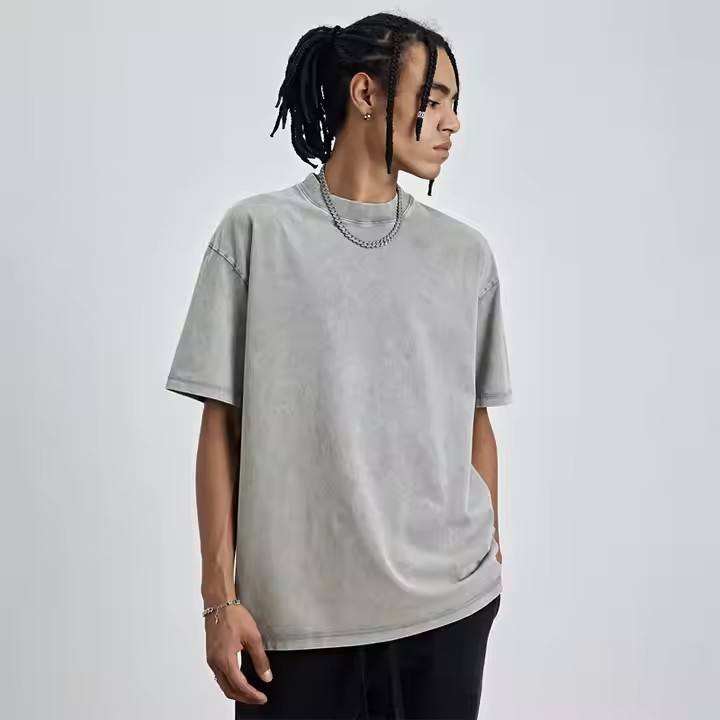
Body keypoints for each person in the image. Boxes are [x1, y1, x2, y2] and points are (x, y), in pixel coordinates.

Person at [165, 11, 513, 719]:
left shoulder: (465, 256)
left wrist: (485, 558)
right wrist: (217, 600)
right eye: (434, 98)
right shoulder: (256, 234)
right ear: (366, 93)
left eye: (455, 104)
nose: (452, 123)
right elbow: (220, 428)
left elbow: (474, 420)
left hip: (447, 617)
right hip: (296, 630)